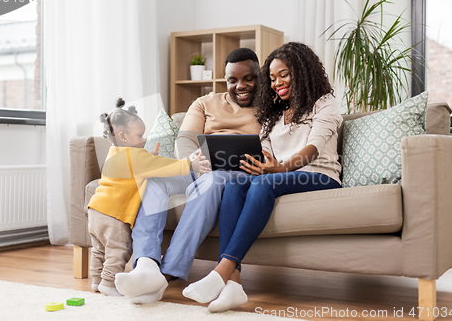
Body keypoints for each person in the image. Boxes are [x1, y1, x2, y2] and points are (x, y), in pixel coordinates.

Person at [182, 42, 343, 312]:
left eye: (284, 74)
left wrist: (277, 169)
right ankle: (234, 284)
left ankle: (221, 272)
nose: (277, 82)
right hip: (281, 175)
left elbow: (312, 150)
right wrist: (260, 163)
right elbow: (266, 152)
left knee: (264, 182)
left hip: (318, 174)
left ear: (302, 71)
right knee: (236, 183)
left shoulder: (325, 104)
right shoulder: (274, 114)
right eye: (272, 77)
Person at [114, 48, 262, 303]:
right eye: (232, 80)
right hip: (200, 169)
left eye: (248, 78)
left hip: (237, 176)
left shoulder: (271, 108)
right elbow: (185, 139)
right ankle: (147, 265)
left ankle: (167, 272)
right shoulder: (205, 103)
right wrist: (196, 163)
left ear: (259, 76)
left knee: (213, 181)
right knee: (155, 178)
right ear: (224, 80)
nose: (241, 86)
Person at [87, 98, 209, 296]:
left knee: (99, 249)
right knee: (120, 248)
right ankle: (108, 283)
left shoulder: (114, 153)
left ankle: (95, 280)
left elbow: (140, 165)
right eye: (140, 135)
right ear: (123, 136)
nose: (143, 139)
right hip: (113, 215)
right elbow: (165, 166)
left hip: (95, 210)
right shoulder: (136, 157)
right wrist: (190, 165)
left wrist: (146, 156)